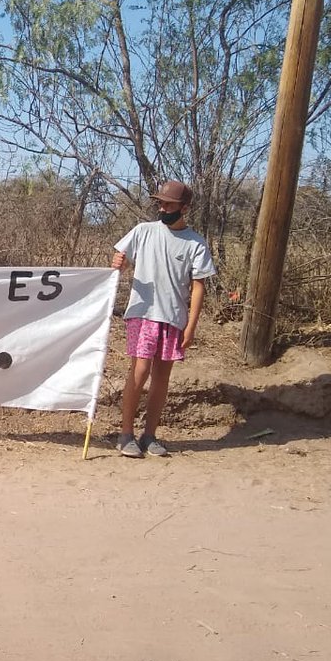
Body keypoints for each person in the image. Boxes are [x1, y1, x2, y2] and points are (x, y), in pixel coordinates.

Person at [110, 180, 216, 457]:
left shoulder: (196, 243)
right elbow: (120, 260)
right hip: (142, 313)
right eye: (160, 202)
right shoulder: (143, 231)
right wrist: (118, 266)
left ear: (184, 208)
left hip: (173, 318)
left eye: (168, 204)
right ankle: (125, 434)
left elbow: (198, 286)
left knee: (161, 378)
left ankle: (150, 435)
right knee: (140, 370)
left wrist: (191, 326)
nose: (162, 207)